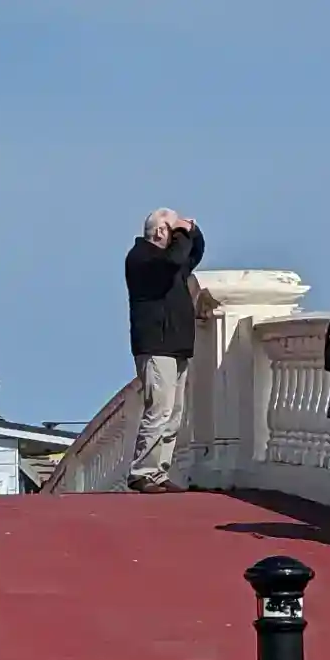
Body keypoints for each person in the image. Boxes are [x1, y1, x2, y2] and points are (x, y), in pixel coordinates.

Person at [123, 208, 206, 492]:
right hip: (156, 345)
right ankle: (142, 471)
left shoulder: (170, 261)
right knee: (158, 409)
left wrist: (190, 231)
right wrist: (182, 231)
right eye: (172, 231)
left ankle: (159, 470)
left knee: (173, 412)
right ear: (161, 232)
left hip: (176, 344)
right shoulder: (142, 258)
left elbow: (193, 253)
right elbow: (175, 259)